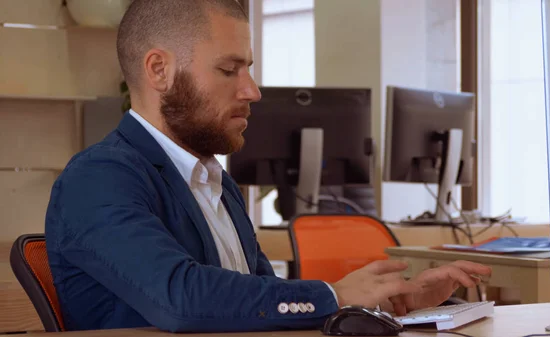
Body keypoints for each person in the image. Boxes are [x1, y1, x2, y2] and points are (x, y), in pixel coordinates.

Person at [44, 0, 492, 333]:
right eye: (229, 69)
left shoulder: (216, 183)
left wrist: (391, 304)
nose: (252, 90)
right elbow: (179, 298)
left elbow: (257, 304)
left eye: (249, 68)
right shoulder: (98, 178)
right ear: (159, 71)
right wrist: (334, 294)